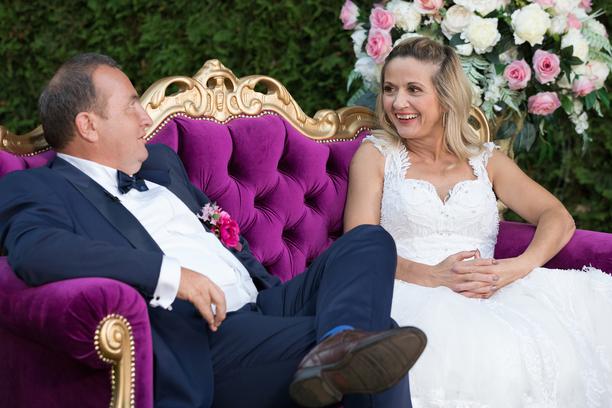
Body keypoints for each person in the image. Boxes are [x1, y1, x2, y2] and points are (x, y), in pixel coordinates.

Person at [0, 53, 428, 408]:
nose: (145, 117)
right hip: (207, 337)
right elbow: (36, 251)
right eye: (131, 106)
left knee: (369, 241)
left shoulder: (161, 165)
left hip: (267, 302)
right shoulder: (38, 188)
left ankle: (338, 342)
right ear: (88, 125)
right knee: (380, 342)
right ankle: (342, 350)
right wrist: (170, 276)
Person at [344, 37, 612, 407]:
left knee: (558, 348)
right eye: (390, 89)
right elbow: (358, 245)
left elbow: (557, 217)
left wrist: (517, 267)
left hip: (494, 290)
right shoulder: (376, 155)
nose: (398, 102)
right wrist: (433, 276)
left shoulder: (485, 160)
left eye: (413, 90)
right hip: (407, 290)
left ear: (445, 96)